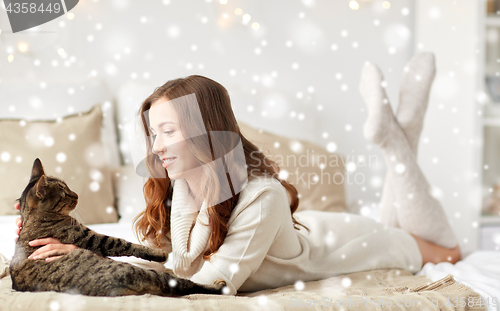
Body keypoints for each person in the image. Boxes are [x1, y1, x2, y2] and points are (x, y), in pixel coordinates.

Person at [14, 53, 461, 295]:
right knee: (395, 213)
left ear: (206, 130)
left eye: (169, 130)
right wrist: (69, 242)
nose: (158, 146)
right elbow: (172, 260)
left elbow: (209, 284)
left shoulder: (261, 197)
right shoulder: (181, 185)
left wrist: (98, 264)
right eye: (154, 133)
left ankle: (393, 141)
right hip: (309, 231)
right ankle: (400, 135)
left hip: (350, 243)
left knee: (448, 250)